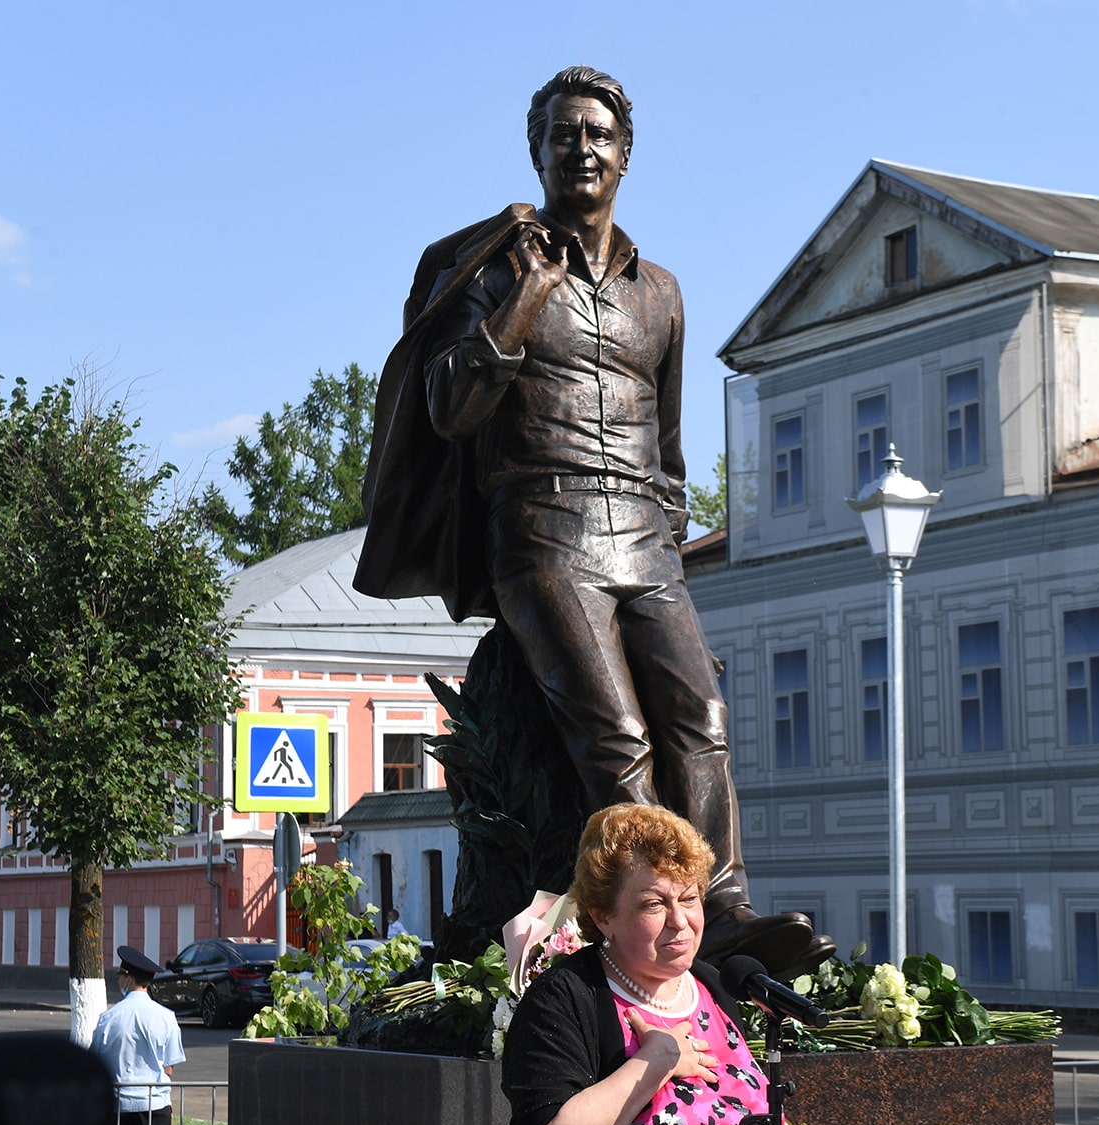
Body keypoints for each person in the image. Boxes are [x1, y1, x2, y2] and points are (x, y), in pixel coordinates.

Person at [356, 65, 831, 979]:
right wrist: (524, 303)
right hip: (542, 530)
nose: (582, 148)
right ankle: (652, 924)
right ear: (537, 151)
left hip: (646, 541)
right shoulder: (494, 270)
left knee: (705, 715)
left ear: (625, 157)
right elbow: (448, 409)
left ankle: (718, 905)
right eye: (563, 133)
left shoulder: (662, 292)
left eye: (598, 135)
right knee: (616, 741)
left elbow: (671, 442)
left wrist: (672, 557)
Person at [462, 803, 796, 1125]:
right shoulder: (565, 998)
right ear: (603, 916)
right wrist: (654, 1061)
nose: (680, 921)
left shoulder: (713, 988)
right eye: (653, 904)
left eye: (690, 898)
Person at [90, 945, 185, 1125]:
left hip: (118, 1104)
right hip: (155, 1104)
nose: (120, 981)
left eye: (121, 976)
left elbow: (97, 1062)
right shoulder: (165, 1017)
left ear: (129, 979)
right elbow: (170, 1066)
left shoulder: (109, 1018)